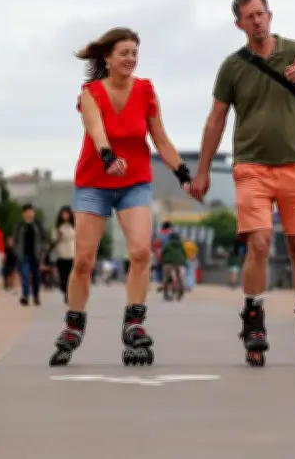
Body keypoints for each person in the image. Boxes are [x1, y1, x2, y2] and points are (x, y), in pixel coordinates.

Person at [189, 0, 295, 367]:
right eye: (249, 16)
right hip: (251, 168)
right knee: (258, 243)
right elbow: (216, 119)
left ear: (270, 16)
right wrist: (204, 169)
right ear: (239, 24)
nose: (257, 20)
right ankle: (254, 319)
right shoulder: (233, 67)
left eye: (261, 14)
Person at [49, 27, 193, 367]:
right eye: (124, 53)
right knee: (83, 260)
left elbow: (161, 139)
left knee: (141, 251)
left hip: (135, 183)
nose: (131, 58)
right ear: (108, 58)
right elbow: (96, 130)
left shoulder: (145, 90)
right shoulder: (90, 92)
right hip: (94, 183)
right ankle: (74, 324)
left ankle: (134, 324)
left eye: (134, 52)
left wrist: (184, 174)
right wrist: (108, 158)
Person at [14, 204, 48, 306]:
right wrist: (16, 250)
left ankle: (36, 296)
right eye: (27, 212)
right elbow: (15, 239)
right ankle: (25, 296)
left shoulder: (38, 224)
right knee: (24, 275)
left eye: (31, 211)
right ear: (23, 214)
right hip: (23, 254)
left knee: (36, 276)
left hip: (36, 254)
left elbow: (44, 238)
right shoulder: (20, 225)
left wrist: (43, 249)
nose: (29, 214)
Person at [52, 206, 76, 305]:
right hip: (61, 254)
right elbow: (53, 240)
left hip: (72, 253)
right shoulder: (58, 227)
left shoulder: (74, 226)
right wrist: (58, 236)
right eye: (63, 214)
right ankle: (64, 291)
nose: (65, 216)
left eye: (67, 214)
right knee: (63, 276)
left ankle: (69, 295)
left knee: (71, 276)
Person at [159, 231, 187, 301]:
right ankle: (180, 292)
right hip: (180, 263)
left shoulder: (167, 244)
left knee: (166, 278)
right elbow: (184, 254)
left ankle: (166, 295)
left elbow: (162, 253)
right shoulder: (181, 245)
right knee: (180, 278)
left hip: (168, 263)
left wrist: (161, 261)